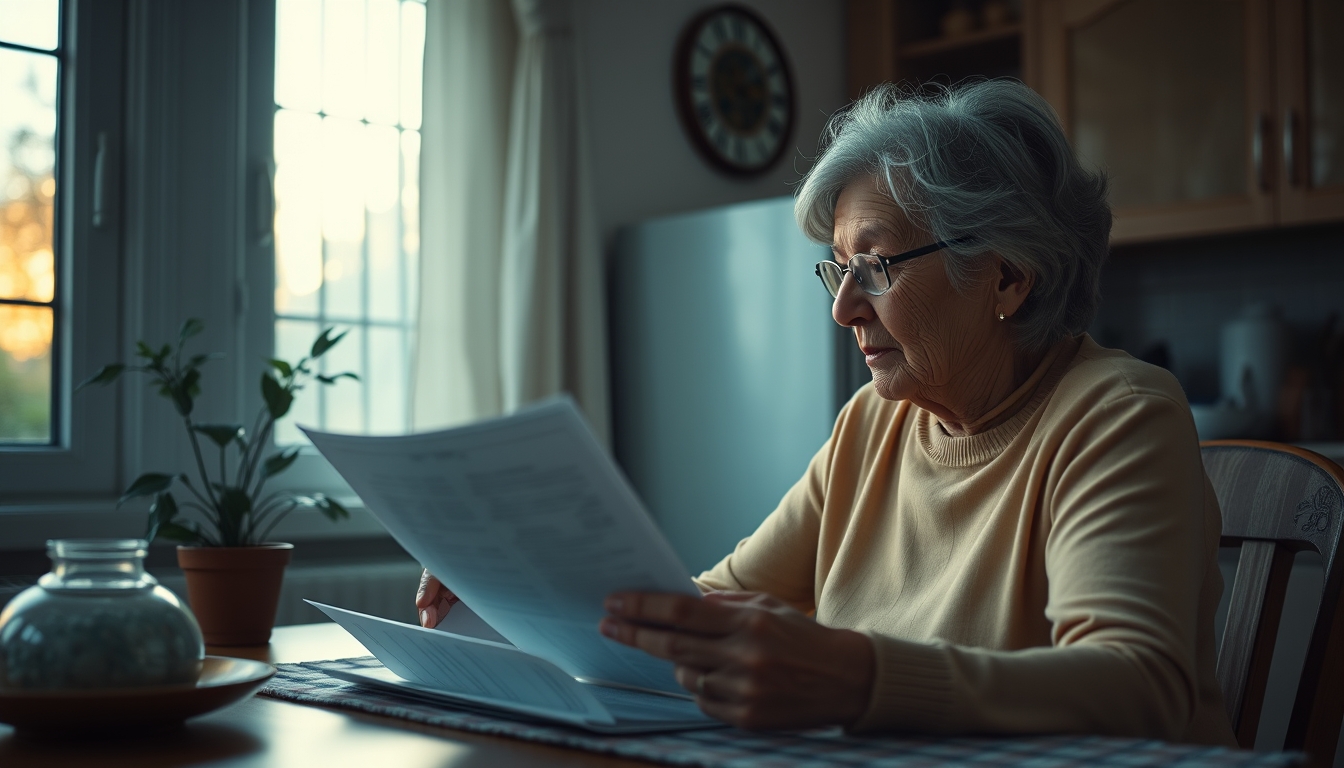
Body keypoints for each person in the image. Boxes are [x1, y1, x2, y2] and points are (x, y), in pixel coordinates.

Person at [418, 79, 1236, 744]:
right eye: (837, 269)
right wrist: (516, 593)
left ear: (1007, 278)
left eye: (876, 266)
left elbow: (1139, 683)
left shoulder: (1116, 415)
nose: (844, 308)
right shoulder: (872, 425)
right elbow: (709, 608)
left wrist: (858, 677)